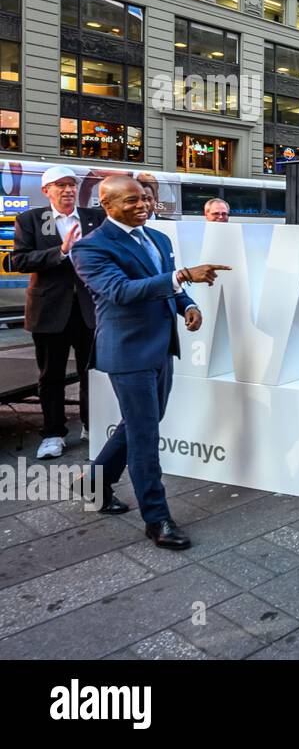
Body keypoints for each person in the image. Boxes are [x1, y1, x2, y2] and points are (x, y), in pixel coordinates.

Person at [69, 175, 231, 549]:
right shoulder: (90, 248)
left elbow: (166, 285)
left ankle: (93, 482)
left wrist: (186, 304)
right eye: (130, 201)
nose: (142, 205)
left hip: (161, 347)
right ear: (107, 206)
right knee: (145, 436)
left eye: (144, 198)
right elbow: (120, 292)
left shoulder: (158, 238)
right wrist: (181, 276)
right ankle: (157, 520)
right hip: (127, 353)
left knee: (143, 422)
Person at [7, 166, 105, 459]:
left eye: (72, 185)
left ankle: (93, 424)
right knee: (51, 375)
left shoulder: (94, 218)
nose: (68, 190)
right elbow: (19, 260)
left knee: (94, 372)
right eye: (60, 185)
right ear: (46, 190)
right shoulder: (31, 220)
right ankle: (53, 433)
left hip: (90, 309)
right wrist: (60, 251)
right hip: (49, 310)